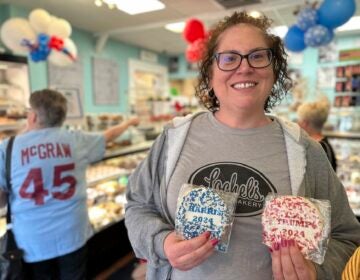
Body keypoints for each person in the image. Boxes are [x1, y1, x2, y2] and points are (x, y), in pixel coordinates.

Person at [125, 11, 360, 280]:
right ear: (210, 75)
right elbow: (138, 206)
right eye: (229, 58)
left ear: (274, 72)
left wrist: (317, 272)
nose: (244, 67)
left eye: (258, 56)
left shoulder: (306, 151)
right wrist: (163, 243)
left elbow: (347, 236)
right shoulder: (173, 138)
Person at [0, 88, 139, 280]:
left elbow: (1, 200)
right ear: (62, 117)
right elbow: (108, 136)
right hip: (72, 232)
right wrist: (130, 122)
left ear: (32, 116)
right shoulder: (76, 139)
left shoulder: (8, 147)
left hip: (32, 239)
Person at [297, 97, 337, 171]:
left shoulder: (317, 149)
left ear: (305, 123)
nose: (297, 123)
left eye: (299, 120)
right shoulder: (324, 146)